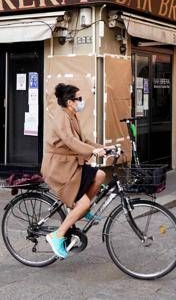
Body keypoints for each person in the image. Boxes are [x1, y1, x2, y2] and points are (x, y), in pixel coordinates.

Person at [40, 83, 107, 259]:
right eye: (79, 99)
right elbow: (70, 141)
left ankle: (81, 210)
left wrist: (104, 148)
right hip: (59, 168)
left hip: (69, 165)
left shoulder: (72, 116)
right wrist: (92, 151)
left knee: (100, 175)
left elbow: (84, 140)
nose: (81, 101)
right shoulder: (61, 117)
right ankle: (57, 235)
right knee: (84, 202)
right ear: (70, 102)